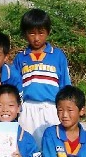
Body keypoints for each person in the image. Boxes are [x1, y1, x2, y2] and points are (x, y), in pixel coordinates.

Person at [13, 8, 71, 147]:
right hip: (27, 109)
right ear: (25, 34)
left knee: (52, 145)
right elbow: (15, 87)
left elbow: (65, 85)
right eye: (32, 33)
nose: (36, 38)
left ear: (48, 32)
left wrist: (66, 108)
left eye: (41, 33)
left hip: (51, 108)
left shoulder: (58, 56)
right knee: (27, 145)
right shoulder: (20, 58)